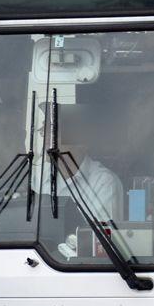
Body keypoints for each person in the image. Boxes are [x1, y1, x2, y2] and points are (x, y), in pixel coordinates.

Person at [54, 105, 124, 258]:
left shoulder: (103, 182)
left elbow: (99, 243)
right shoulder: (39, 178)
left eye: (55, 133)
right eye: (43, 132)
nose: (47, 140)